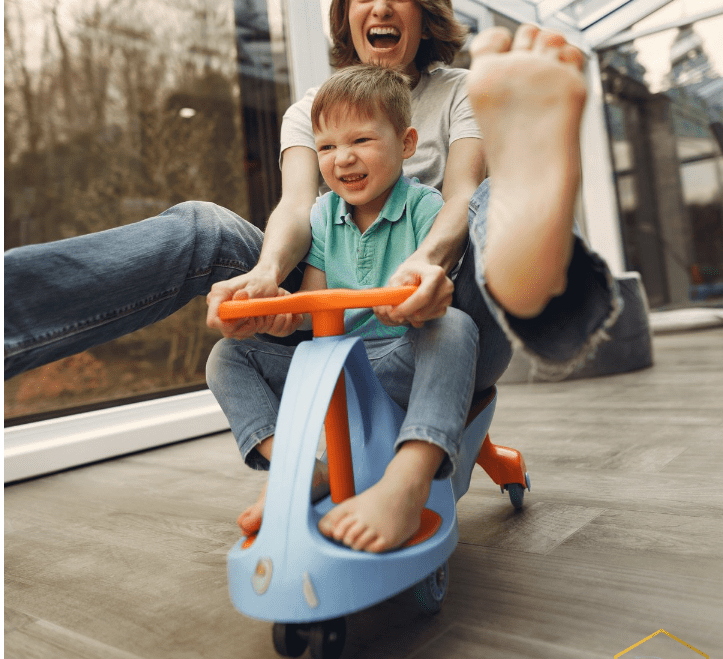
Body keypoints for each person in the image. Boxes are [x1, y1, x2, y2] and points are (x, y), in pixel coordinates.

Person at [4, 3, 619, 537]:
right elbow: (299, 210)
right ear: (344, 13)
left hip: (446, 300)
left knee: (491, 198)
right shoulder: (310, 110)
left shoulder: (472, 87)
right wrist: (268, 279)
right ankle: (300, 467)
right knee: (202, 229)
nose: (378, 8)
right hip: (341, 321)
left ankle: (531, 266)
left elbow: (457, 197)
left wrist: (427, 264)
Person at [206, 64, 480, 553]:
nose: (342, 159)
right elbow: (314, 306)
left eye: (361, 141)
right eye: (327, 147)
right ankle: (296, 468)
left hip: (397, 359)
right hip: (330, 363)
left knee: (456, 328)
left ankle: (410, 477)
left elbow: (434, 296)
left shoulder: (424, 208)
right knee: (227, 357)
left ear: (408, 143)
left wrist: (416, 307)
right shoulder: (320, 215)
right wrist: (286, 313)